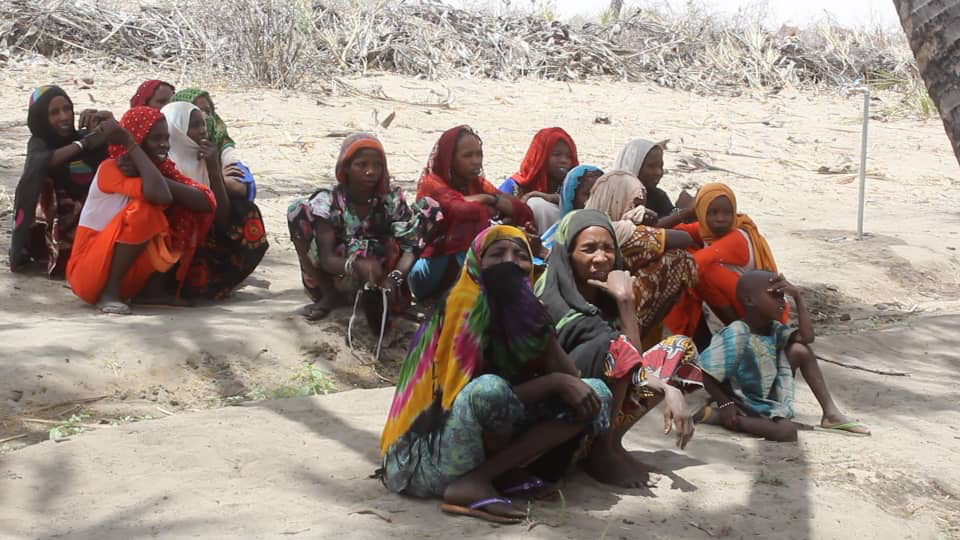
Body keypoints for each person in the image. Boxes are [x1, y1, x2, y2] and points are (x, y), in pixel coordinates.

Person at [379, 225, 612, 524]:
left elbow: (573, 379)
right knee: (491, 389)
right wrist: (555, 382)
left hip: (475, 449)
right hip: (425, 457)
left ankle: (487, 476)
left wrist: (541, 329)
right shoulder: (464, 303)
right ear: (477, 261)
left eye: (520, 255)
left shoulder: (524, 307)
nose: (510, 262)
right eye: (497, 254)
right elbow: (466, 399)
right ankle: (472, 483)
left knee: (595, 393)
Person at [536, 210, 701, 488]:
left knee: (679, 348)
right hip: (563, 414)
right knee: (615, 348)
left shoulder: (602, 292)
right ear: (567, 254)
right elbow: (625, 355)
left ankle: (611, 443)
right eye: (588, 249)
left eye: (608, 249)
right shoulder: (553, 299)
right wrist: (625, 301)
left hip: (603, 395)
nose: (601, 258)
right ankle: (599, 452)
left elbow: (631, 362)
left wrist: (623, 302)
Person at [66, 106, 216, 314]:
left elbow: (204, 201)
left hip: (126, 278)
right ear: (138, 138)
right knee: (146, 209)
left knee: (181, 209)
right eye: (155, 138)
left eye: (166, 137)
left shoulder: (159, 171)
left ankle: (150, 292)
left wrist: (148, 169)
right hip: (89, 274)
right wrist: (129, 143)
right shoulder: (111, 168)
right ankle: (108, 293)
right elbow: (160, 194)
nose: (164, 145)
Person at [697, 271, 871, 440]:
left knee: (800, 350)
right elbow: (703, 371)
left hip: (766, 398)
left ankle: (831, 414)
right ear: (749, 300)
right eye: (775, 296)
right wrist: (726, 403)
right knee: (787, 431)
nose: (781, 302)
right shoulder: (737, 332)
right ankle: (726, 418)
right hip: (742, 401)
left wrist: (798, 297)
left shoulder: (773, 328)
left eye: (783, 296)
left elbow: (806, 337)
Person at [287, 133, 433, 321]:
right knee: (297, 211)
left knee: (429, 211)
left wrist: (394, 278)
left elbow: (409, 246)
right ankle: (329, 295)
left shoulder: (391, 199)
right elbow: (326, 258)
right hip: (338, 275)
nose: (371, 171)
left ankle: (390, 299)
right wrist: (357, 265)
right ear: (346, 167)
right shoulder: (329, 201)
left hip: (380, 278)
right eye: (362, 165)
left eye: (377, 165)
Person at [409, 125, 534, 301]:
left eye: (479, 154)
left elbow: (519, 209)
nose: (476, 161)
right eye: (468, 155)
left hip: (459, 272)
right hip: (427, 273)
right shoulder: (432, 182)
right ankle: (482, 290)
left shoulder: (477, 184)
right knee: (468, 224)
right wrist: (489, 203)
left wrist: (491, 200)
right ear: (450, 159)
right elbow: (460, 209)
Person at [162, 102, 268, 299]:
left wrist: (213, 170)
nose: (202, 131)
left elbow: (222, 218)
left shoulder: (202, 158)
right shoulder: (163, 161)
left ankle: (210, 283)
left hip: (203, 236)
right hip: (174, 240)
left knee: (246, 211)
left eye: (203, 124)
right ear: (176, 128)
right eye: (194, 125)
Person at [9, 86, 115, 276]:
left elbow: (112, 158)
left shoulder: (83, 139)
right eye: (55, 112)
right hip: (54, 224)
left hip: (87, 220)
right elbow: (45, 162)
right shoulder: (39, 143)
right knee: (42, 183)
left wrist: (108, 126)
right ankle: (54, 253)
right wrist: (84, 143)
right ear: (41, 118)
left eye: (67, 109)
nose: (64, 116)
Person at [583, 170, 698, 345]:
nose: (639, 210)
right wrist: (679, 214)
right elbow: (684, 238)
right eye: (634, 204)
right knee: (677, 258)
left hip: (600, 309)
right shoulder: (616, 229)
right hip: (601, 317)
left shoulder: (581, 220)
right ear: (616, 199)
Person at [664, 183, 784, 341]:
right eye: (713, 212)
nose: (720, 219)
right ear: (701, 212)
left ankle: (740, 330)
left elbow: (695, 264)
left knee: (702, 270)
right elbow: (667, 234)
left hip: (764, 311)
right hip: (746, 301)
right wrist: (684, 212)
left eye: (727, 213)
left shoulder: (738, 236)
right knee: (680, 250)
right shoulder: (707, 230)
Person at [170, 88, 256, 204]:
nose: (205, 118)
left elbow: (240, 186)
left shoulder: (216, 149)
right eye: (199, 111)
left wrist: (215, 172)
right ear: (179, 122)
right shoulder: (166, 158)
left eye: (208, 111)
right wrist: (220, 180)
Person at [498, 127, 578, 233]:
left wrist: (549, 197)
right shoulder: (516, 185)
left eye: (569, 156)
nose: (564, 161)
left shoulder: (574, 186)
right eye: (557, 154)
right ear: (540, 156)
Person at [612, 138, 694, 227]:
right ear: (634, 165)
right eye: (651, 166)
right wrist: (682, 212)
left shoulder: (657, 196)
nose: (659, 172)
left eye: (661, 166)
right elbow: (636, 232)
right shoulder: (610, 197)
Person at [539, 164, 603, 251]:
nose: (594, 200)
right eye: (587, 194)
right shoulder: (557, 236)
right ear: (571, 197)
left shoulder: (612, 232)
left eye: (600, 194)